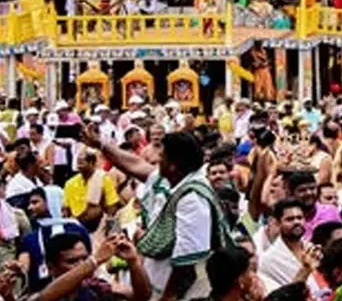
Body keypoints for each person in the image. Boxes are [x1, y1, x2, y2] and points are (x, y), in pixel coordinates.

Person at [84, 128, 234, 300]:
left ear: (173, 165)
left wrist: (167, 298)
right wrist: (101, 144)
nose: (156, 159)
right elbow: (135, 165)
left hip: (181, 293)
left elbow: (187, 264)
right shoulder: (174, 177)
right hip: (155, 280)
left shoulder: (193, 198)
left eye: (161, 156)